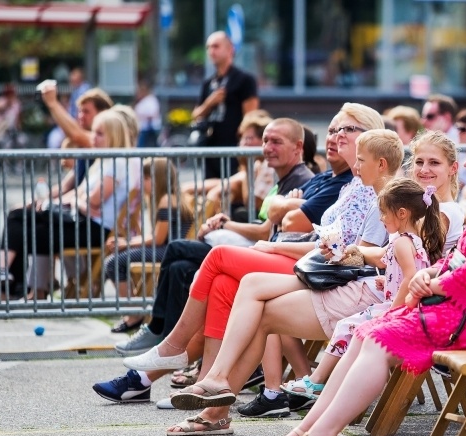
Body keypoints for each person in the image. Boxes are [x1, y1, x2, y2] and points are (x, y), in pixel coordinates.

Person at [261, 120, 466, 436]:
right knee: (367, 332)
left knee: (379, 339)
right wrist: (430, 273)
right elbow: (461, 262)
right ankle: (308, 432)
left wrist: (432, 283)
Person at [94, 105, 381, 406]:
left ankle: (172, 344)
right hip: (309, 262)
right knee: (218, 283)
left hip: (323, 273)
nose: (336, 136)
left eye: (347, 129)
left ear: (370, 136)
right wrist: (279, 217)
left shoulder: (363, 187)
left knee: (213, 258)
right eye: (334, 129)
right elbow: (283, 223)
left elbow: (334, 245)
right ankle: (207, 384)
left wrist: (276, 235)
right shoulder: (350, 185)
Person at [280, 131, 466, 407]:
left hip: (414, 303)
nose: (424, 169)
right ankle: (323, 390)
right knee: (350, 325)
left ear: (453, 168)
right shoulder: (426, 207)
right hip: (405, 294)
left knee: (353, 326)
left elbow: (416, 265)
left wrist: (363, 260)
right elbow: (412, 261)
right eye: (418, 162)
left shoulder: (441, 212)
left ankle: (322, 390)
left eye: (434, 163)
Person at [113, 117, 315, 354]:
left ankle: (157, 328)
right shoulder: (280, 179)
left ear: (298, 147)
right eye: (265, 140)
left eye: (276, 142)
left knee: (176, 248)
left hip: (265, 254)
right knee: (179, 268)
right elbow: (262, 222)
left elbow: (265, 231)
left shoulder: (301, 181)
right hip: (257, 248)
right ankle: (168, 343)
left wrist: (226, 224)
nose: (267, 147)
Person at [286, 179, 444, 402]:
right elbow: (410, 272)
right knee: (350, 327)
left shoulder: (400, 242)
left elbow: (411, 276)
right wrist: (388, 283)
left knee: (347, 326)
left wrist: (394, 311)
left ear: (401, 213)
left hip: (399, 310)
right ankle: (323, 382)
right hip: (406, 307)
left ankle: (317, 381)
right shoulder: (414, 240)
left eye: (383, 213)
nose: (380, 219)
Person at [0, 109, 141, 298]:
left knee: (25, 230)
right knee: (19, 217)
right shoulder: (104, 161)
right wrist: (75, 200)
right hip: (84, 221)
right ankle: (7, 278)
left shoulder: (116, 162)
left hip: (95, 229)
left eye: (99, 133)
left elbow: (94, 200)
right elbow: (81, 196)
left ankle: (9, 283)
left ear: (113, 135)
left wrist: (77, 200)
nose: (93, 138)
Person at [102, 158, 194, 334]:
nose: (141, 182)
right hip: (168, 249)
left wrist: (126, 243)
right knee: (118, 259)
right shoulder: (170, 197)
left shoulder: (167, 199)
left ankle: (134, 314)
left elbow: (158, 239)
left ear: (157, 178)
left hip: (169, 252)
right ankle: (135, 311)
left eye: (145, 178)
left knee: (113, 263)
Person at [192, 31, 259, 179]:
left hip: (234, 149)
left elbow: (251, 117)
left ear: (230, 49)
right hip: (211, 148)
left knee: (231, 193)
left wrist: (245, 144)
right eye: (208, 47)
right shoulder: (208, 83)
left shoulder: (244, 80)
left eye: (216, 46)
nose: (211, 51)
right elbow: (195, 115)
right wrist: (210, 102)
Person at [134, 79, 161, 148]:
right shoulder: (141, 101)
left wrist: (142, 116)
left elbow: (153, 113)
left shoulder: (151, 100)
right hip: (142, 128)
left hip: (148, 130)